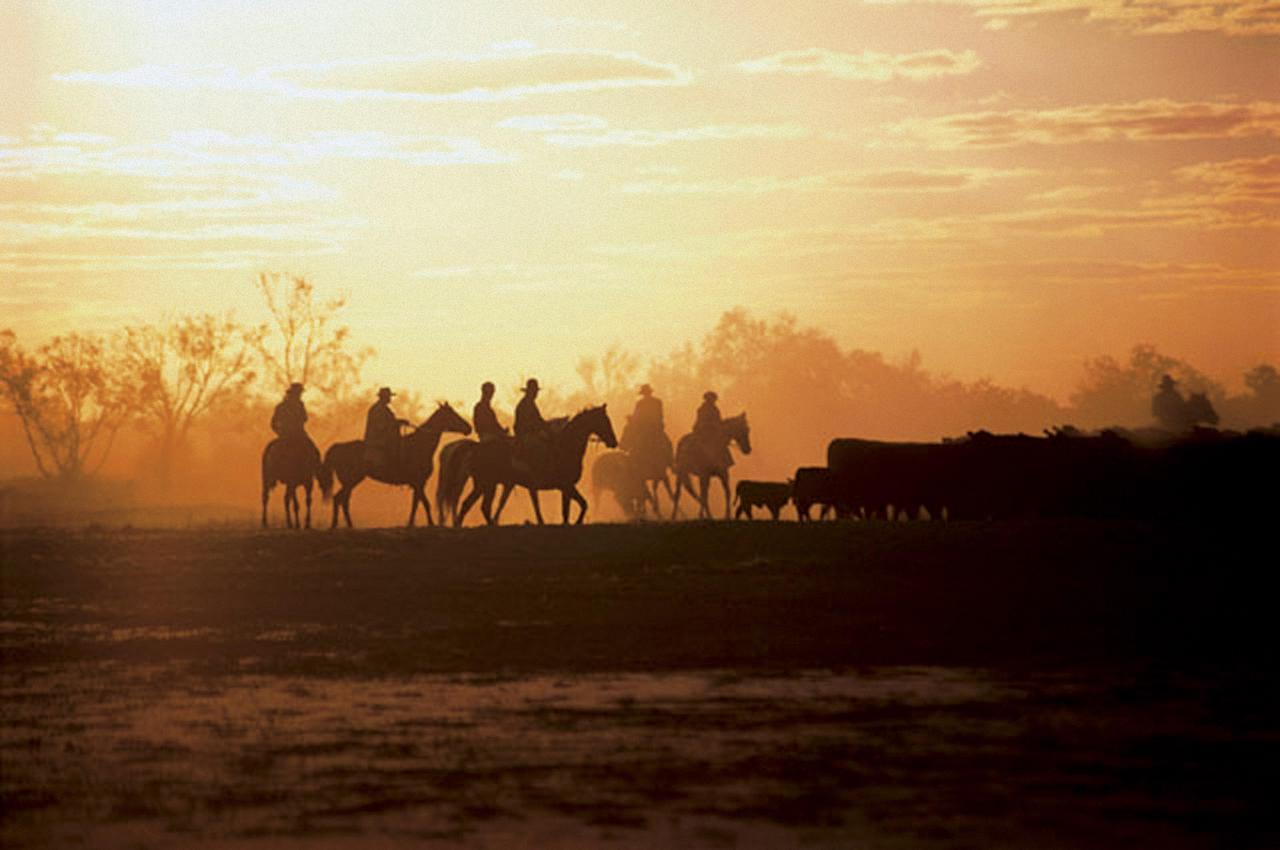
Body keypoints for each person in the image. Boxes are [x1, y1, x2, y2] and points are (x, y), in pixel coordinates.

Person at [364, 387, 411, 474]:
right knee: (398, 447)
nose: (390, 399)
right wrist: (397, 423)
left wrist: (399, 422)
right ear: (384, 397)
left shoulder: (383, 409)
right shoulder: (378, 409)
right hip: (377, 439)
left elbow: (389, 422)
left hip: (381, 437)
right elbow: (381, 426)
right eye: (388, 397)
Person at [692, 390, 731, 467]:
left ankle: (726, 461)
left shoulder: (716, 409)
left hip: (714, 431)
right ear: (707, 399)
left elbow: (718, 420)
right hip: (703, 431)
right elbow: (701, 421)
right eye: (712, 399)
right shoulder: (702, 409)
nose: (713, 400)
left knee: (722, 443)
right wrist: (711, 425)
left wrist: (720, 425)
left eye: (714, 399)